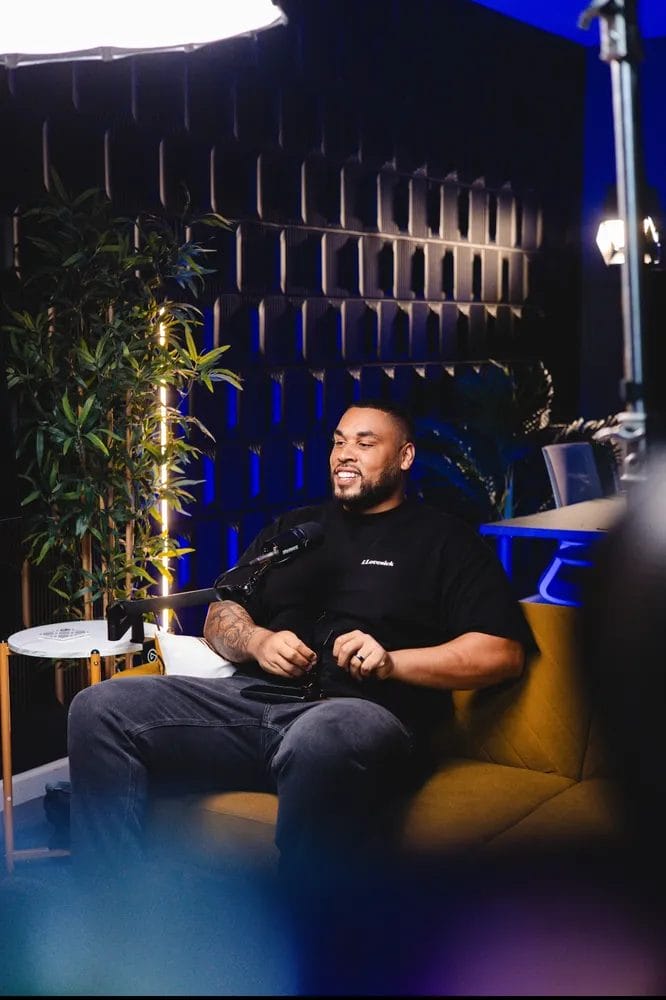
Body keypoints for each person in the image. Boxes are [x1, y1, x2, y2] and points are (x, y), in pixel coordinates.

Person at [67, 398, 531, 885]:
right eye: (338, 442)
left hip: (359, 714)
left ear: (405, 457)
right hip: (253, 706)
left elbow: (502, 652)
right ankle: (108, 916)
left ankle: (302, 941)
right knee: (100, 707)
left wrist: (391, 662)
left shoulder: (445, 541)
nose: (344, 454)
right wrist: (257, 641)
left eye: (365, 443)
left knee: (320, 737)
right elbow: (219, 614)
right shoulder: (294, 531)